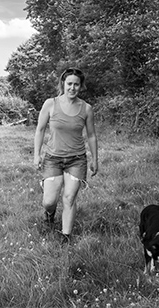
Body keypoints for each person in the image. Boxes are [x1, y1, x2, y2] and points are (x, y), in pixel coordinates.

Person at [33, 68, 98, 243]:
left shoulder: (86, 108)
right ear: (63, 84)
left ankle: (66, 236)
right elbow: (40, 130)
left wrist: (95, 159)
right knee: (49, 201)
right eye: (69, 83)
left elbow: (91, 135)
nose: (72, 88)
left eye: (76, 84)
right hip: (53, 158)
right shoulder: (50, 104)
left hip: (76, 159)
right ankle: (49, 214)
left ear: (81, 86)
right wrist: (36, 155)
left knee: (69, 198)